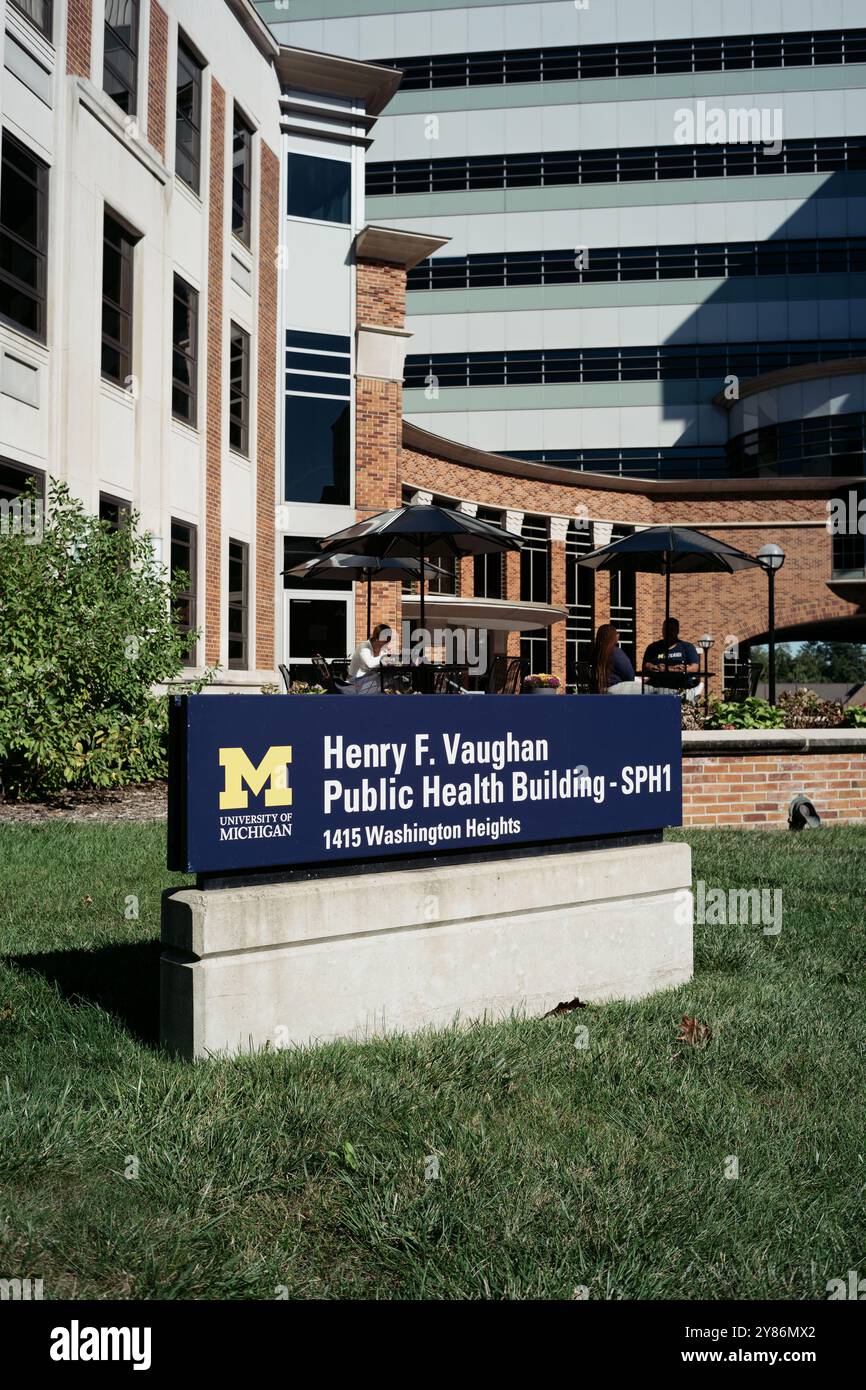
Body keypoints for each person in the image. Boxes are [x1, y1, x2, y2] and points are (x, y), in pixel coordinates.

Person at [591, 623, 639, 694]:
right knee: (652, 690)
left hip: (599, 690)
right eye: (616, 633)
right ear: (611, 636)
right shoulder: (615, 652)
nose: (618, 635)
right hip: (616, 690)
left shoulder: (595, 652)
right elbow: (630, 676)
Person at [346, 623, 392, 694]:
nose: (387, 643)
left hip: (370, 681)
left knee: (392, 678)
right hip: (355, 682)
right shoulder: (364, 646)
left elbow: (384, 663)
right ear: (377, 638)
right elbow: (370, 664)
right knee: (386, 680)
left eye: (388, 640)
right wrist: (384, 657)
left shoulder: (382, 649)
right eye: (385, 640)